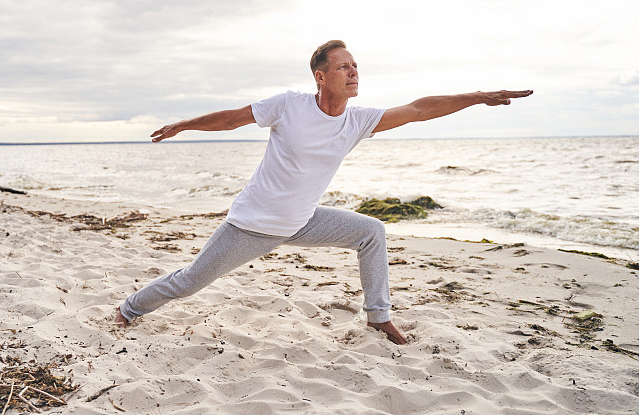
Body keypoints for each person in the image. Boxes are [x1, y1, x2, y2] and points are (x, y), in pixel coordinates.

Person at [114, 40, 532, 344]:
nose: (353, 72)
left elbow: (421, 109)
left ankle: (378, 317)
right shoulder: (289, 105)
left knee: (371, 232)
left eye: (355, 66)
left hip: (302, 221)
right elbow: (232, 119)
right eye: (343, 67)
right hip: (251, 225)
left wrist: (478, 97)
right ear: (321, 76)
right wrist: (184, 124)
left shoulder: (358, 120)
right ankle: (129, 308)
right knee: (191, 281)